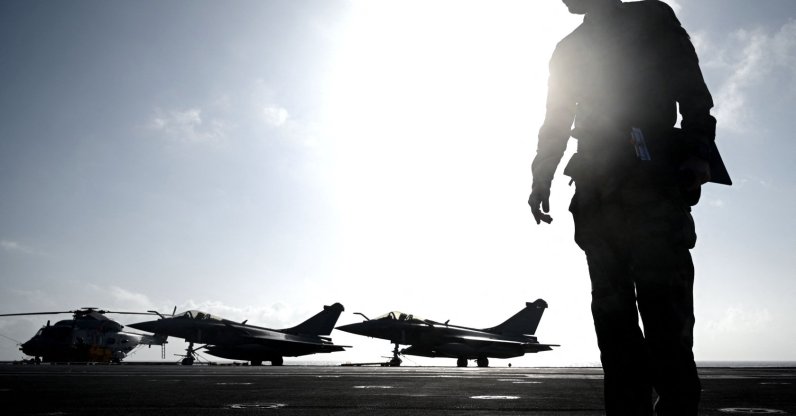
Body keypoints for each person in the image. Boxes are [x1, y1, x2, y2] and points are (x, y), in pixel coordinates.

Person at [528, 1, 720, 415]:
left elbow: (691, 88)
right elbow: (556, 119)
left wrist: (700, 150)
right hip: (597, 194)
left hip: (652, 183)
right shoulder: (568, 49)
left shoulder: (651, 16)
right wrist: (541, 176)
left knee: (666, 318)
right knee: (614, 327)